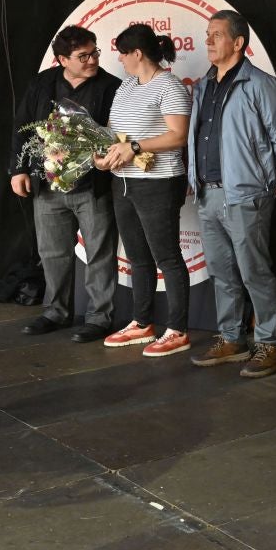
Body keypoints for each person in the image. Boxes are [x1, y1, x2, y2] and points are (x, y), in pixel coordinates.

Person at [186, 10, 276, 379]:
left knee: (254, 271)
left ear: (237, 43)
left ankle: (269, 343)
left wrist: (265, 180)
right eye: (207, 34)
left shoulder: (259, 84)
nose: (208, 41)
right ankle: (232, 338)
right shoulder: (204, 86)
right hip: (208, 193)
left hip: (245, 194)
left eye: (216, 34)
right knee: (221, 270)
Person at [8, 26, 120, 342]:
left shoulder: (111, 86)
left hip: (92, 185)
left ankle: (100, 318)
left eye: (94, 52)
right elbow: (22, 127)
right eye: (83, 55)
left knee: (100, 252)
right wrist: (17, 170)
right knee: (52, 252)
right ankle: (56, 312)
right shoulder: (42, 83)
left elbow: (119, 133)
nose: (92, 59)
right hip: (47, 185)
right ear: (62, 59)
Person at [96, 24, 193, 357]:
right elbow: (114, 132)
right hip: (123, 181)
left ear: (137, 53)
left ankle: (178, 330)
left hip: (159, 183)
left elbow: (178, 136)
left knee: (167, 257)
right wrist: (103, 154)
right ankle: (142, 323)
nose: (119, 60)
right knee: (138, 257)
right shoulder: (125, 86)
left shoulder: (170, 87)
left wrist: (135, 147)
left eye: (123, 53)